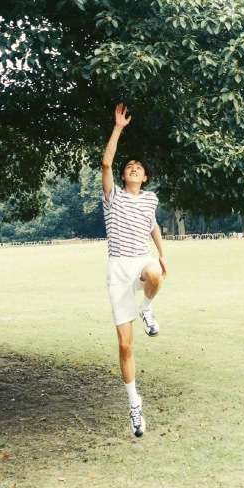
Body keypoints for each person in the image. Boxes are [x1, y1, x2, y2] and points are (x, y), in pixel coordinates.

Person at [101, 102, 168, 438]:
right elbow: (106, 162)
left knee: (156, 273)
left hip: (141, 260)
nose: (133, 168)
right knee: (125, 346)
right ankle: (135, 406)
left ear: (146, 177)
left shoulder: (150, 199)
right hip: (118, 268)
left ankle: (147, 308)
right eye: (130, 166)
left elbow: (153, 225)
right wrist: (118, 128)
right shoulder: (112, 197)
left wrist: (162, 253)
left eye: (139, 167)